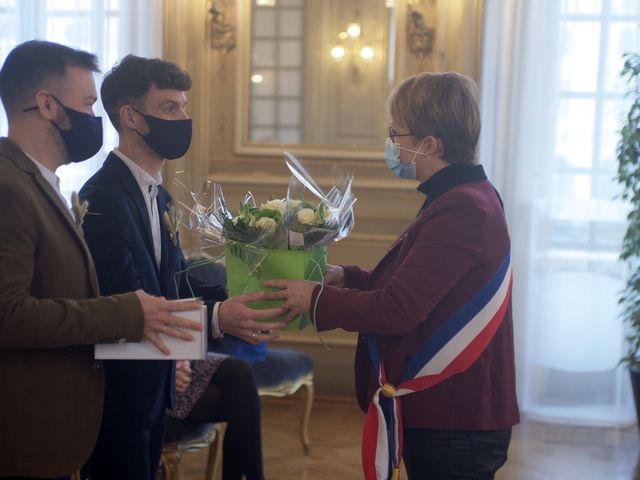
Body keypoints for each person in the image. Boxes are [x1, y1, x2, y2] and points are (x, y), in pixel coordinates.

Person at [265, 72, 519, 480]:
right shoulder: (461, 197)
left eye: (395, 133)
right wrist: (345, 277)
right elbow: (421, 290)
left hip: (455, 415)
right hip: (450, 411)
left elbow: (399, 309)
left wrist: (314, 299)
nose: (392, 144)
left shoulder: (463, 208)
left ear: (429, 144)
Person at [0, 41, 202, 480]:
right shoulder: (9, 186)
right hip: (34, 423)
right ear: (48, 105)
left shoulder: (41, 183)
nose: (96, 117)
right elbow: (7, 313)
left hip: (80, 410)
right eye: (89, 103)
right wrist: (127, 310)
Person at [79, 54, 283, 480]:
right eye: (170, 108)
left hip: (156, 377)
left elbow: (169, 287)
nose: (183, 117)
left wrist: (239, 300)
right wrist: (216, 319)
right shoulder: (102, 198)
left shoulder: (160, 197)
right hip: (121, 391)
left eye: (184, 106)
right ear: (131, 117)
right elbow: (126, 305)